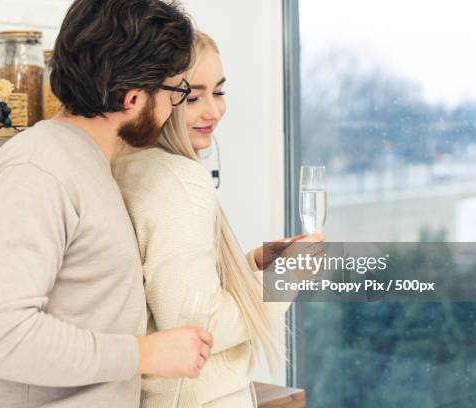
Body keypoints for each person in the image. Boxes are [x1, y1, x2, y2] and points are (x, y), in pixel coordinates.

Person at [0, 1, 214, 407]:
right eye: (177, 91)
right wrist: (144, 353)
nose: (176, 108)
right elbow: (0, 336)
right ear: (133, 98)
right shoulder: (37, 172)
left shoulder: (83, 163)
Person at [112, 31, 323, 407]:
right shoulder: (178, 180)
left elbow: (168, 299)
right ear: (159, 97)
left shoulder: (129, 166)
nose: (214, 111)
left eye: (219, 92)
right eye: (193, 97)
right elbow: (198, 328)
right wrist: (286, 277)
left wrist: (250, 267)